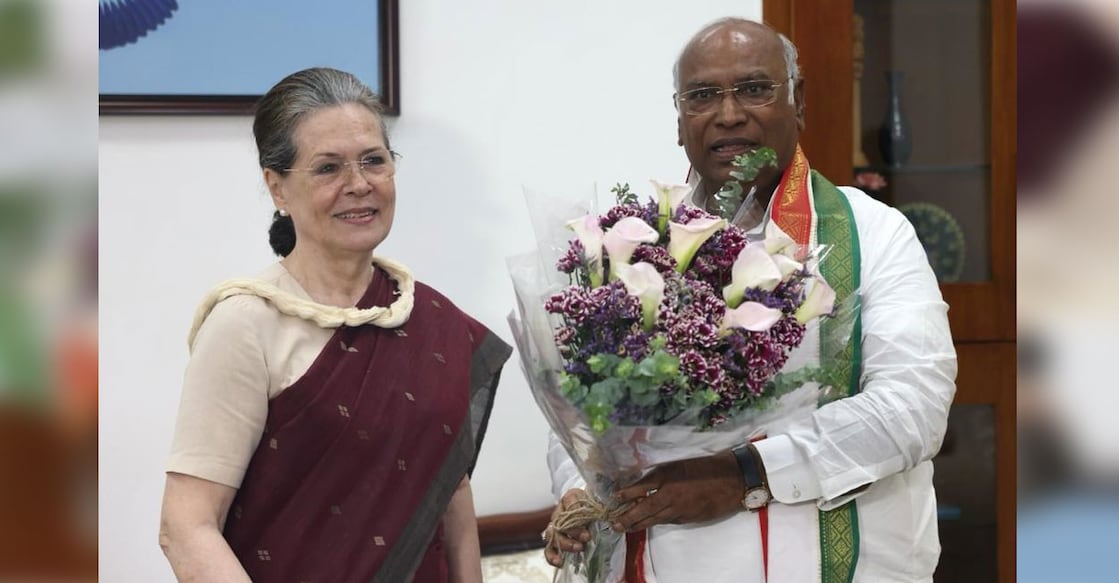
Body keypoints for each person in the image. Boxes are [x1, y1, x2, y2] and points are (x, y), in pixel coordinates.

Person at [546, 18, 956, 583]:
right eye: (703, 95)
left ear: (798, 101)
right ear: (679, 117)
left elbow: (914, 406)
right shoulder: (632, 242)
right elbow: (581, 408)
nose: (729, 113)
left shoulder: (873, 234)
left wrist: (747, 473)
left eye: (755, 88)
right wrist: (576, 490)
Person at [158, 67, 511, 583]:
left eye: (374, 160)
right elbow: (186, 527)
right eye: (327, 168)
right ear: (277, 187)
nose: (359, 184)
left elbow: (449, 492)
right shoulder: (246, 323)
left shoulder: (436, 320)